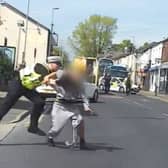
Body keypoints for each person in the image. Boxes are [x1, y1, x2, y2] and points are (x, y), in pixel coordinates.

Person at [0, 56, 62, 136]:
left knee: (39, 102)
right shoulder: (42, 68)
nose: (59, 67)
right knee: (5, 106)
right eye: (58, 65)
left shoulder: (48, 71)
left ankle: (33, 127)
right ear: (52, 63)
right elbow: (50, 80)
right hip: (18, 84)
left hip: (27, 88)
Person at [44, 65, 92, 149]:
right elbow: (54, 76)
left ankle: (82, 141)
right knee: (56, 129)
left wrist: (87, 107)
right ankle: (50, 137)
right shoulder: (58, 84)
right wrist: (47, 78)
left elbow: (84, 96)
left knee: (80, 120)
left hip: (72, 106)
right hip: (60, 107)